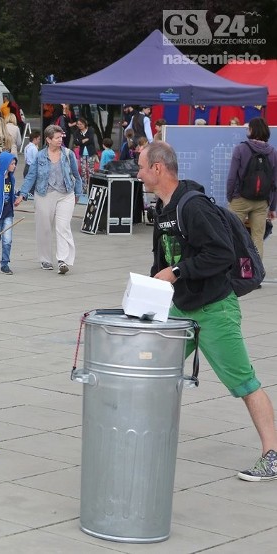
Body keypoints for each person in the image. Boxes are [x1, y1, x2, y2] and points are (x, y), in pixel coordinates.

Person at [140, 141, 277, 482]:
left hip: (215, 309)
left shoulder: (193, 207)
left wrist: (178, 272)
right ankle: (147, 439)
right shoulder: (164, 209)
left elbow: (221, 253)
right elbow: (163, 262)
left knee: (244, 382)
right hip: (181, 308)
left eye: (141, 166)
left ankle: (272, 454)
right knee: (155, 370)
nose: (138, 172)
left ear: (158, 168)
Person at [15, 124, 83, 274]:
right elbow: (31, 175)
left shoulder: (68, 154)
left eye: (61, 137)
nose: (60, 140)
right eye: (57, 138)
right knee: (44, 228)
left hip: (66, 195)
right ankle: (45, 259)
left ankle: (62, 260)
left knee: (63, 227)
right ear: (48, 139)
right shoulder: (40, 156)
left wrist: (78, 193)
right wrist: (22, 194)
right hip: (44, 194)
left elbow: (76, 175)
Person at [226, 117, 277, 258]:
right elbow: (274, 182)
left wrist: (231, 197)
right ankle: (256, 274)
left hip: (240, 199)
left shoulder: (241, 149)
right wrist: (272, 207)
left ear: (253, 130)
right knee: (257, 239)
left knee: (232, 236)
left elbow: (232, 177)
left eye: (248, 128)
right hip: (261, 202)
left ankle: (234, 273)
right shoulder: (273, 152)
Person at [74, 118, 97, 191]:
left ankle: (92, 186)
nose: (79, 126)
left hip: (91, 152)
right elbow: (76, 142)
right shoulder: (77, 132)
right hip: (82, 153)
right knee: (83, 171)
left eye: (81, 124)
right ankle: (84, 187)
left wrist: (81, 141)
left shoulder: (90, 130)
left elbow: (90, 140)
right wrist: (83, 140)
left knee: (91, 170)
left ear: (84, 124)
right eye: (78, 124)